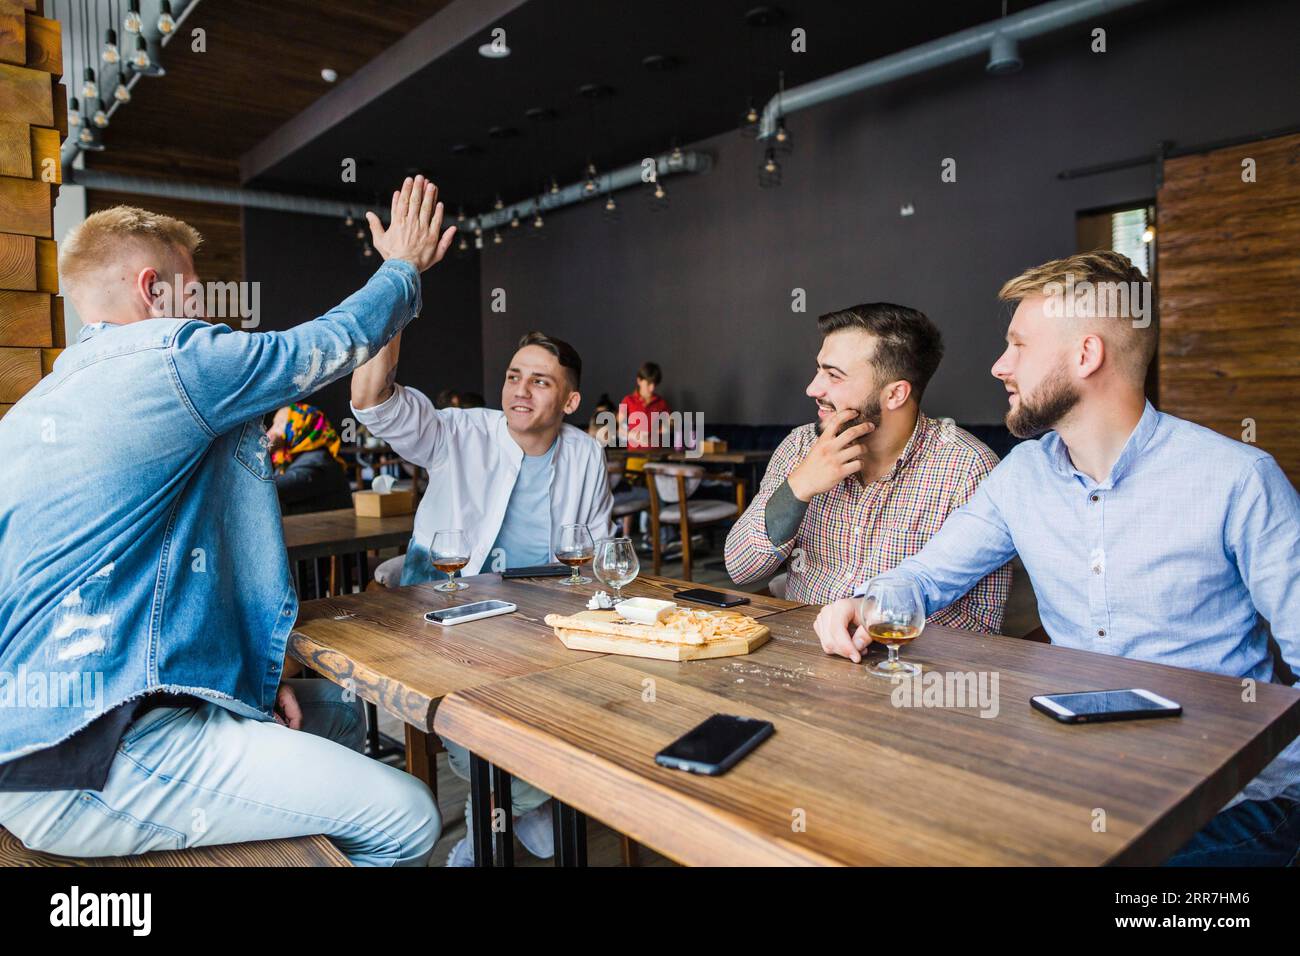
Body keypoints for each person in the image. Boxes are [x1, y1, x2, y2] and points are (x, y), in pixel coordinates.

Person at [0, 176, 456, 866]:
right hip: (88, 761)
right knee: (410, 818)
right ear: (154, 290)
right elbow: (329, 343)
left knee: (330, 709)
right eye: (194, 293)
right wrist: (403, 268)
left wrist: (250, 678)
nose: (206, 313)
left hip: (37, 735)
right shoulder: (171, 359)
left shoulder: (32, 413)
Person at [813, 252, 1300, 865]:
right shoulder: (1022, 475)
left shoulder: (1239, 479)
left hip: (1234, 808)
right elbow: (927, 575)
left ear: (1086, 355)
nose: (999, 365)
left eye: (1018, 345)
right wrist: (867, 601)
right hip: (1078, 781)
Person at [351, 327, 614, 866]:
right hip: (444, 605)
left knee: (594, 696)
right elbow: (371, 401)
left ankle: (511, 805)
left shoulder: (586, 453)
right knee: (469, 707)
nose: (520, 390)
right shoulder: (458, 432)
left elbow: (597, 553)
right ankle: (509, 813)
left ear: (569, 400)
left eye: (540, 381)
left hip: (542, 612)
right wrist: (397, 290)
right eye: (514, 376)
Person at [725, 303, 1010, 631]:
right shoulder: (801, 446)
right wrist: (799, 486)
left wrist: (875, 632)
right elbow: (740, 568)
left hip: (897, 669)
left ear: (895, 395)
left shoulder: (967, 469)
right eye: (819, 370)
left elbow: (981, 621)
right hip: (796, 653)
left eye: (833, 375)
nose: (813, 389)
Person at [266, 402, 354, 515]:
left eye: (278, 425)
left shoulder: (317, 463)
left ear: (300, 427)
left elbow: (267, 489)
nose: (269, 432)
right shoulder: (290, 460)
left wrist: (260, 452)